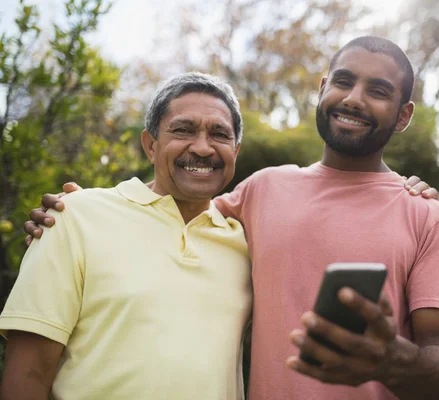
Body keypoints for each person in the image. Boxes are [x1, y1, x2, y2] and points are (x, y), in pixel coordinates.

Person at [23, 35, 439, 400]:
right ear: (321, 88)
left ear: (403, 115)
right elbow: (171, 209)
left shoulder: (429, 217)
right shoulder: (263, 189)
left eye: (378, 91)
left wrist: (390, 359)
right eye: (344, 81)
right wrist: (81, 214)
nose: (354, 99)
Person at [0, 73, 253, 400]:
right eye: (183, 130)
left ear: (235, 150)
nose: (203, 147)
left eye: (219, 134)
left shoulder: (247, 245)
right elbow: (29, 373)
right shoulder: (75, 217)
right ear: (151, 145)